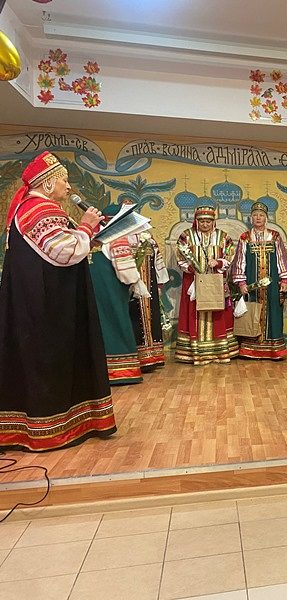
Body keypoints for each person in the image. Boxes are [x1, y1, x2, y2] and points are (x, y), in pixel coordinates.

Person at [0, 151, 116, 450]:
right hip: (48, 307)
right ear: (48, 183)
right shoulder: (41, 209)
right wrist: (86, 226)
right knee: (50, 363)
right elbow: (64, 252)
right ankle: (51, 429)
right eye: (64, 180)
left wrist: (88, 235)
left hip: (37, 302)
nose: (68, 186)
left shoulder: (29, 208)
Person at [88, 203, 147, 385]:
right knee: (117, 323)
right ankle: (121, 369)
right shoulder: (116, 237)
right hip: (111, 290)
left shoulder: (88, 237)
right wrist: (135, 282)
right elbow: (126, 272)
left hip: (91, 290)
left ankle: (98, 371)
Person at [175, 205, 239, 365]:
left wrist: (218, 262)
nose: (205, 224)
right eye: (202, 221)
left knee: (217, 313)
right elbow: (180, 257)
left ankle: (219, 351)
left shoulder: (223, 237)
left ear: (213, 221)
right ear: (196, 221)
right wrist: (191, 268)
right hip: (193, 282)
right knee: (193, 312)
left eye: (208, 221)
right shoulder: (186, 236)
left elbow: (230, 255)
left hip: (216, 281)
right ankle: (195, 352)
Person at [232, 201, 287, 360]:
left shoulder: (275, 236)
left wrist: (284, 280)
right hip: (252, 285)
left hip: (272, 285)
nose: (258, 218)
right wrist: (241, 283)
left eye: (261, 215)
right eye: (255, 215)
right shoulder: (245, 237)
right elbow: (240, 261)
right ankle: (250, 349)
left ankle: (274, 350)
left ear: (266, 218)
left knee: (274, 313)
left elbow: (282, 258)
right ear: (251, 218)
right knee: (251, 312)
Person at [128, 227, 170, 370]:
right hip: (128, 285)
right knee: (134, 316)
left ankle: (152, 355)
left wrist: (159, 284)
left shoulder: (149, 240)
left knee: (151, 316)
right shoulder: (120, 239)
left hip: (149, 284)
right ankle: (135, 356)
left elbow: (158, 262)